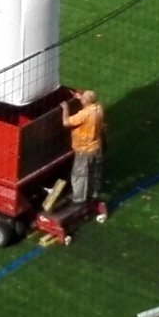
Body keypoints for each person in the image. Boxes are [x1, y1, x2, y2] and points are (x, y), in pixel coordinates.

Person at [60, 87, 107, 225]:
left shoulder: (84, 114)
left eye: (83, 99)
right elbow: (88, 102)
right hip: (96, 147)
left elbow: (66, 122)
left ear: (87, 102)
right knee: (93, 171)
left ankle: (79, 199)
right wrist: (79, 96)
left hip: (84, 149)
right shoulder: (98, 108)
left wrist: (65, 109)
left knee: (79, 174)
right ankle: (93, 193)